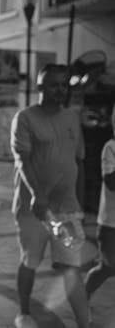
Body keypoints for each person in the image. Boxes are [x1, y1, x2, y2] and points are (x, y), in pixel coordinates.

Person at [10, 64, 88, 328]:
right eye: (54, 85)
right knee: (30, 261)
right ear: (40, 87)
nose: (60, 90)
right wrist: (37, 195)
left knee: (71, 267)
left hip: (66, 208)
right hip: (34, 209)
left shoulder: (72, 118)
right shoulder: (25, 118)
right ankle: (24, 313)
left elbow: (79, 161)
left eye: (64, 85)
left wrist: (81, 205)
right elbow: (24, 159)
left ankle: (84, 323)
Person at [85, 109, 115, 304]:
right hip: (111, 222)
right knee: (108, 267)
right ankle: (83, 299)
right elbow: (110, 181)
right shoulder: (110, 147)